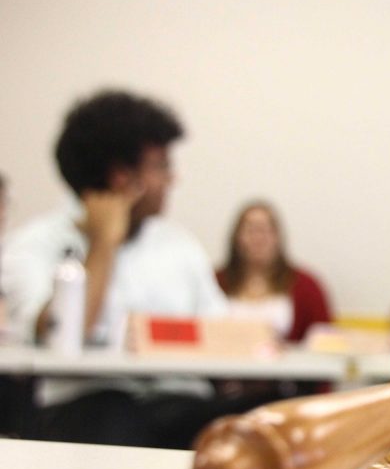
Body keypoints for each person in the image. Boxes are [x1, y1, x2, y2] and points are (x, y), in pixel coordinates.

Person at [1, 90, 228, 448]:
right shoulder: (34, 244)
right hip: (88, 403)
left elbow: (222, 333)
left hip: (180, 400)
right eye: (161, 166)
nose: (172, 179)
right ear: (122, 177)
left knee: (252, 426)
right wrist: (104, 241)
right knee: (115, 416)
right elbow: (55, 333)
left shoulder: (179, 245)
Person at [217, 200, 332, 343]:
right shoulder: (215, 282)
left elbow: (325, 340)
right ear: (236, 237)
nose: (258, 238)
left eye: (265, 230)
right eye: (250, 230)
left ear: (278, 237)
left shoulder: (307, 286)